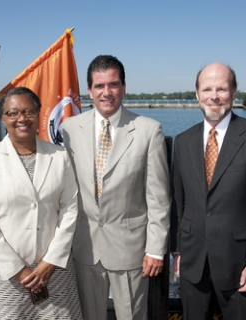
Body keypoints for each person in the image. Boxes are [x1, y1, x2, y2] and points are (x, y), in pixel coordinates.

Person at [171, 62, 246, 319]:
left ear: (233, 93)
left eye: (221, 89)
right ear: (197, 94)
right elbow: (178, 202)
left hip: (240, 267)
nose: (214, 96)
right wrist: (177, 250)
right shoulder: (183, 141)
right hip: (192, 264)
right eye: (207, 89)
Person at [62, 55, 171, 320]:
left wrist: (155, 249)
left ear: (123, 87)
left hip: (131, 250)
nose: (106, 92)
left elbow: (158, 198)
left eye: (113, 84)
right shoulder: (69, 129)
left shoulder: (148, 131)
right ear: (89, 90)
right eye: (99, 86)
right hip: (84, 248)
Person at [0, 87, 82, 319]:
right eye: (13, 113)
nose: (22, 118)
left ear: (39, 113)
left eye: (29, 111)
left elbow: (70, 210)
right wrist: (18, 271)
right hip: (1, 275)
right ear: (3, 118)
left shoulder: (60, 157)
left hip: (53, 273)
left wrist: (50, 262)